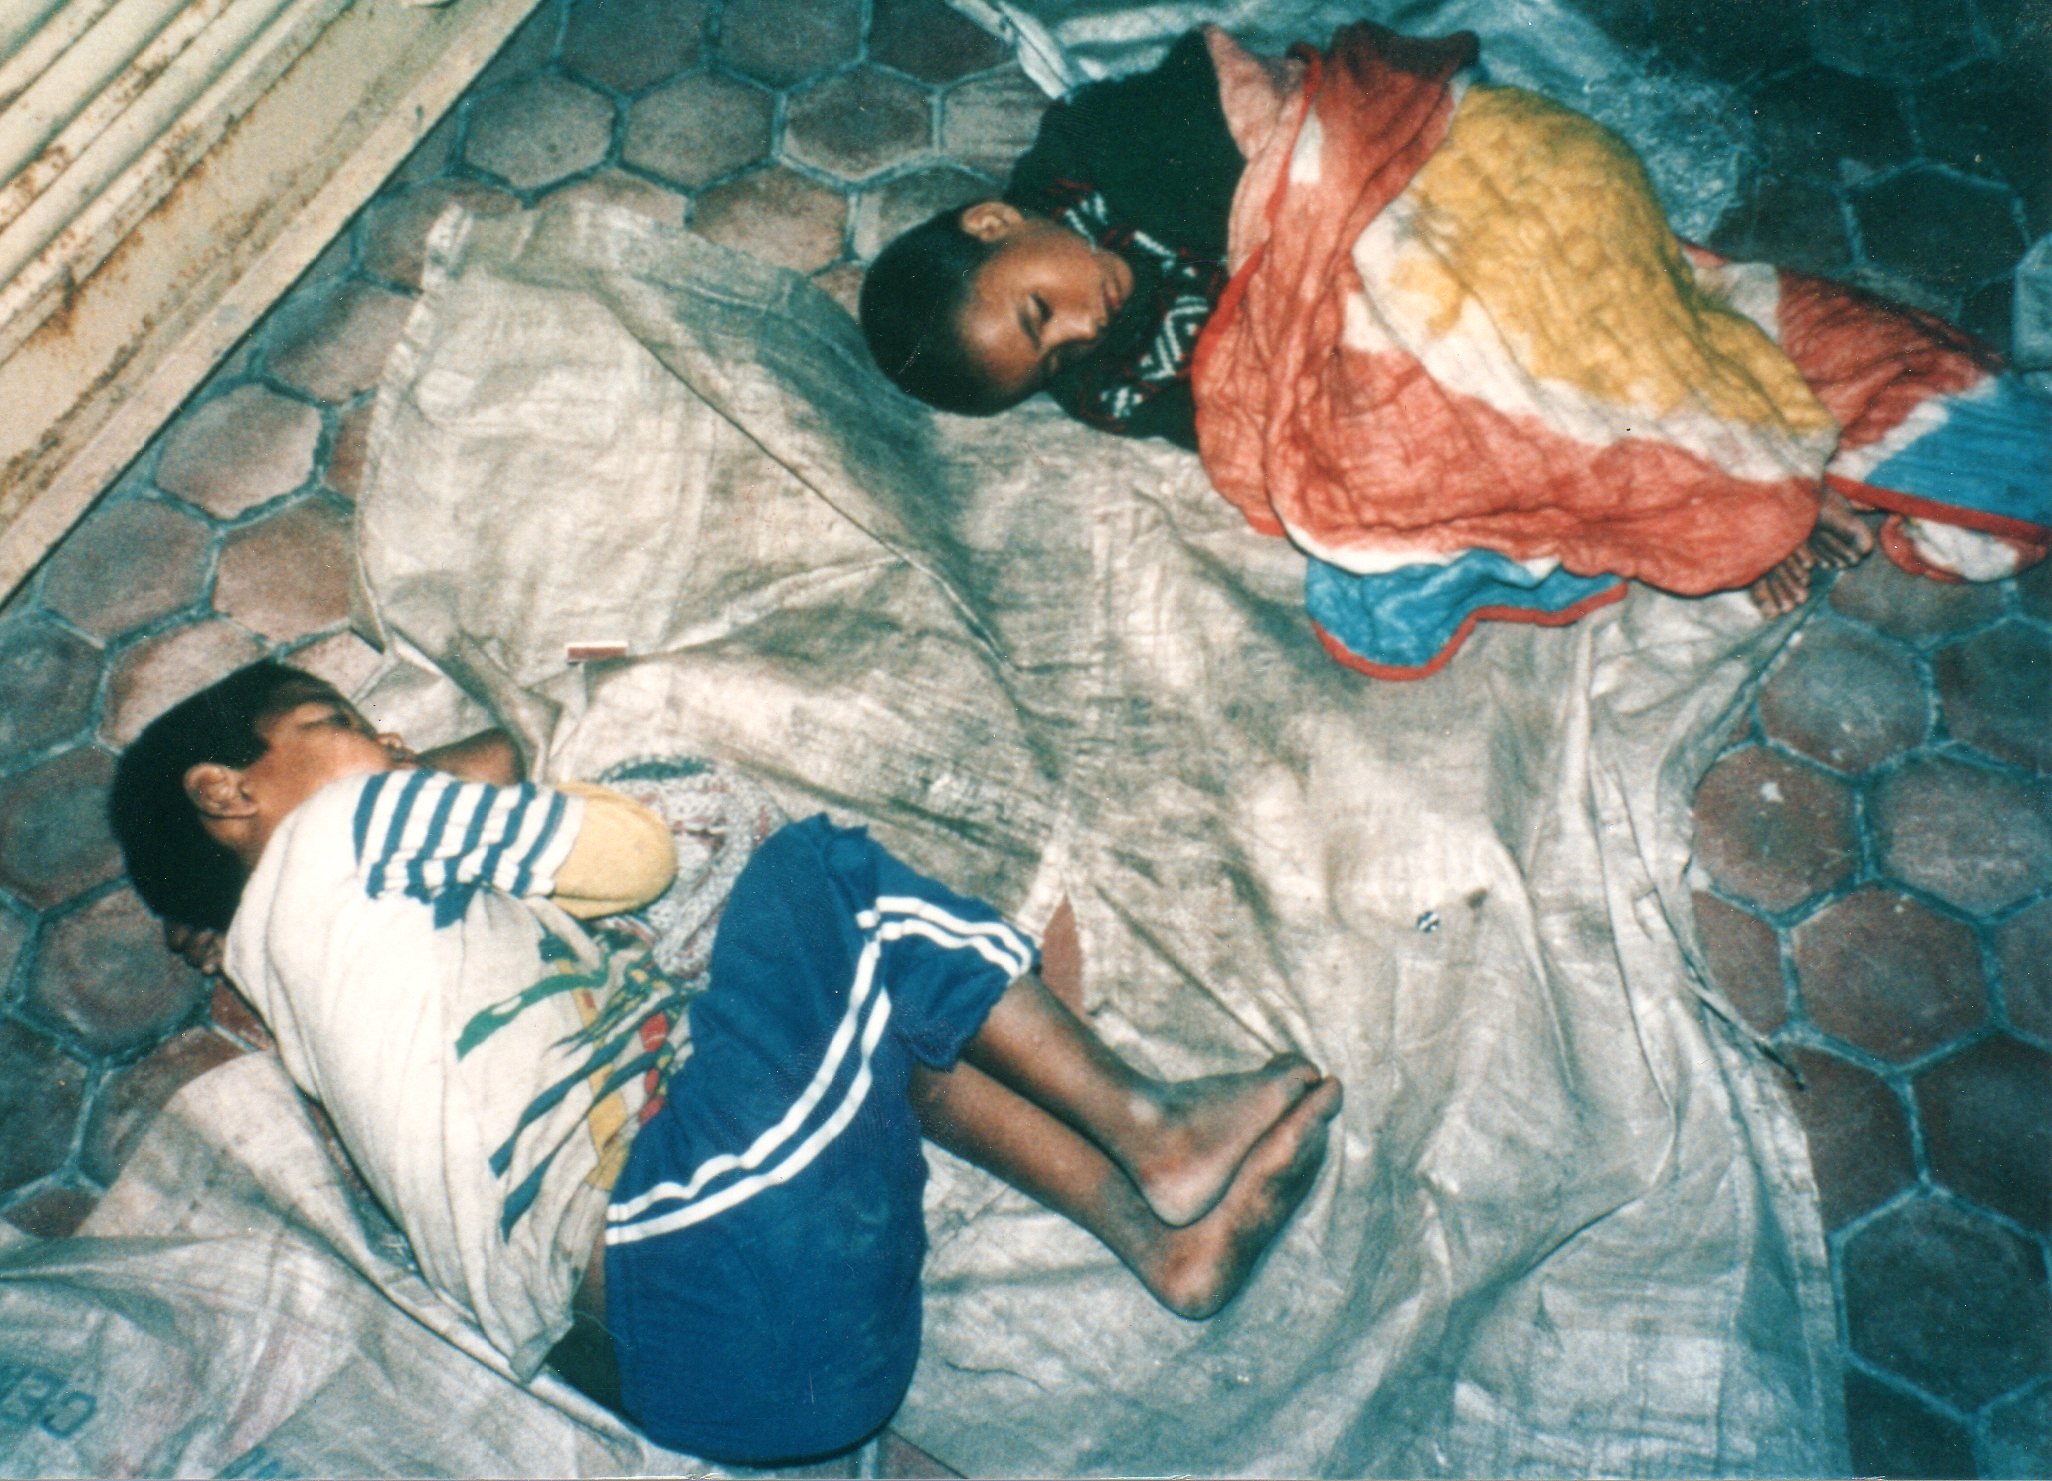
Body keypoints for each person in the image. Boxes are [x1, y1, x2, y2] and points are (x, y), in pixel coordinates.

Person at [108, 660, 1341, 1466]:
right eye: (339, 721)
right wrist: (400, 779)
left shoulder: (292, 981)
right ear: (225, 789)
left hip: (710, 1386)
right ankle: (1151, 1126)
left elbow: (473, 764)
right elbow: (634, 853)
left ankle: (1161, 1239)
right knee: (821, 877)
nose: (389, 739)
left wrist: (293, 828)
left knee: (849, 1024)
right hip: (714, 1251)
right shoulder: (351, 823)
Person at [858, 28, 1895, 621]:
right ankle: (1730, 491)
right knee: (1410, 457)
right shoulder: (1109, 382)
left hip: (1435, 179)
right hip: (1373, 320)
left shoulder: (1107, 145)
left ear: (993, 222)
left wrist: (1319, 270)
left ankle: (1753, 474)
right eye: (1052, 357)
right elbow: (1247, 427)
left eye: (1039, 307)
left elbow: (1292, 134)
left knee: (1546, 311)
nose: (1084, 324)